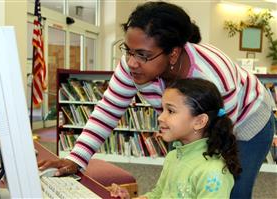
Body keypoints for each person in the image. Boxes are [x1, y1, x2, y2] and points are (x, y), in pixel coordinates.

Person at [38, 2, 275, 198]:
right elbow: (108, 109)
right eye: (128, 50)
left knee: (229, 187)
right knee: (175, 181)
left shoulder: (213, 76)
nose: (132, 62)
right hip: (189, 124)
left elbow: (219, 139)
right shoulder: (134, 65)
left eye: (142, 54)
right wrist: (76, 159)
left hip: (245, 121)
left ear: (173, 53)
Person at [110, 78, 242, 198]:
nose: (160, 117)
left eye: (171, 111)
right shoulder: (173, 156)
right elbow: (157, 195)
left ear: (199, 121)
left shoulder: (213, 173)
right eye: (163, 110)